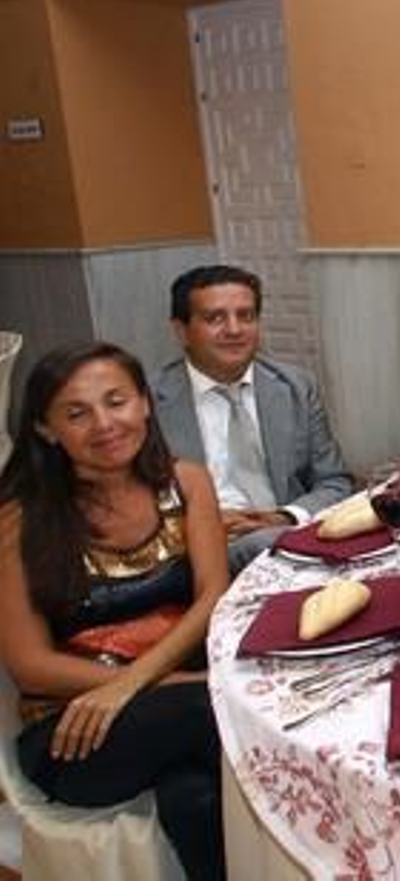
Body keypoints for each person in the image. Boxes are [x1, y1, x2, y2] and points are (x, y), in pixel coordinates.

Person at [0, 342, 228, 880]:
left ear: (145, 404)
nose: (104, 424)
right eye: (77, 413)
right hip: (75, 728)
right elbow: (31, 666)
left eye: (117, 401)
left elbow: (214, 594)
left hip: (173, 695)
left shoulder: (186, 482)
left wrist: (138, 682)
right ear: (46, 430)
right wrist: (159, 685)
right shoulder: (18, 522)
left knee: (194, 795)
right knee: (221, 710)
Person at [154, 264, 354, 573]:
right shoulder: (148, 402)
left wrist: (284, 517)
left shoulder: (296, 387)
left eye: (246, 316)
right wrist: (200, 526)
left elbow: (335, 481)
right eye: (215, 318)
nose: (234, 330)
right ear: (182, 331)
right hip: (200, 551)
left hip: (285, 533)